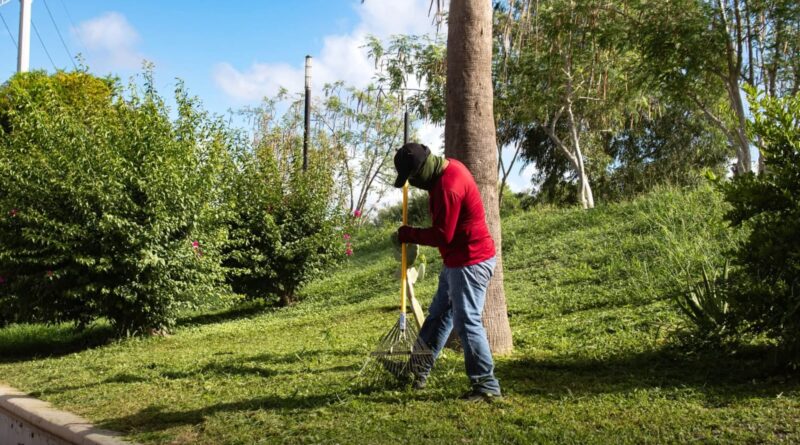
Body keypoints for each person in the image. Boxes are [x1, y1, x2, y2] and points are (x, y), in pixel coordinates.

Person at [392, 142, 501, 402]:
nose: (413, 183)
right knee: (439, 315)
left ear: (422, 170)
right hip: (456, 261)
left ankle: (486, 386)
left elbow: (443, 236)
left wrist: (410, 234)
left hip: (470, 262)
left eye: (412, 177)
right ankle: (417, 370)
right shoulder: (447, 169)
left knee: (467, 322)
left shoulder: (448, 187)